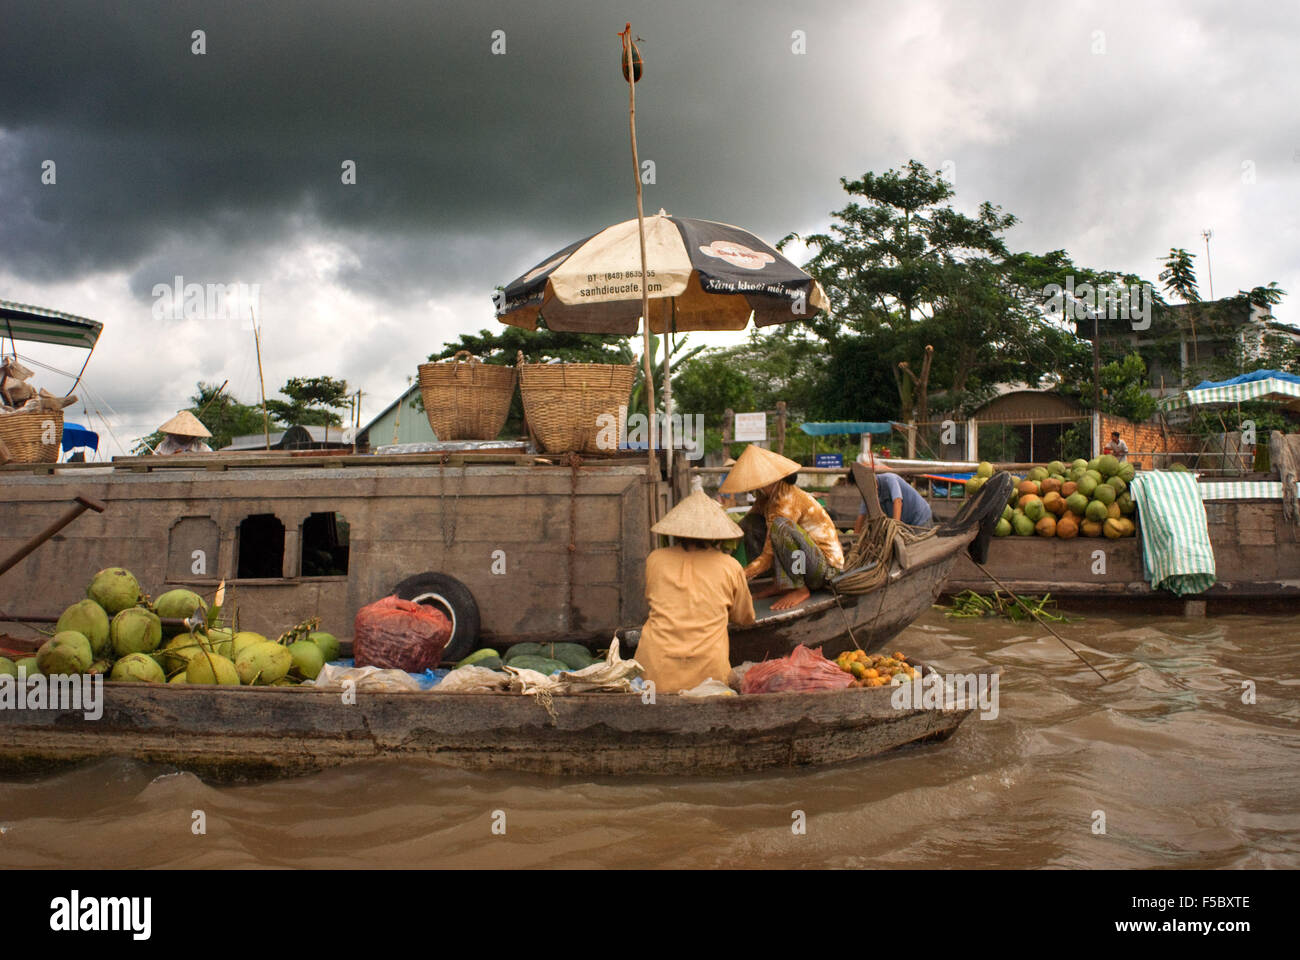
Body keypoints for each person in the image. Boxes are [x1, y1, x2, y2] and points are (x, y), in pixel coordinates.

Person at [637, 490, 756, 693]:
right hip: (709, 677)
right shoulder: (730, 566)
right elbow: (744, 618)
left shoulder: (655, 559)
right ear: (717, 536)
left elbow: (652, 598)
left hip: (655, 675)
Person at [720, 444, 845, 611]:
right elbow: (744, 525)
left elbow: (767, 556)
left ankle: (799, 589)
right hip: (804, 562)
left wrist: (735, 578)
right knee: (750, 524)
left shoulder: (786, 501)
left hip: (824, 570)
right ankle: (781, 583)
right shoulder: (766, 496)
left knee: (781, 527)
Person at [854, 459, 932, 534]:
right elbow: (861, 516)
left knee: (918, 545)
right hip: (905, 522)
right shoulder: (868, 491)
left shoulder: (890, 479)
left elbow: (897, 501)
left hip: (920, 517)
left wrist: (894, 528)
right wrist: (855, 538)